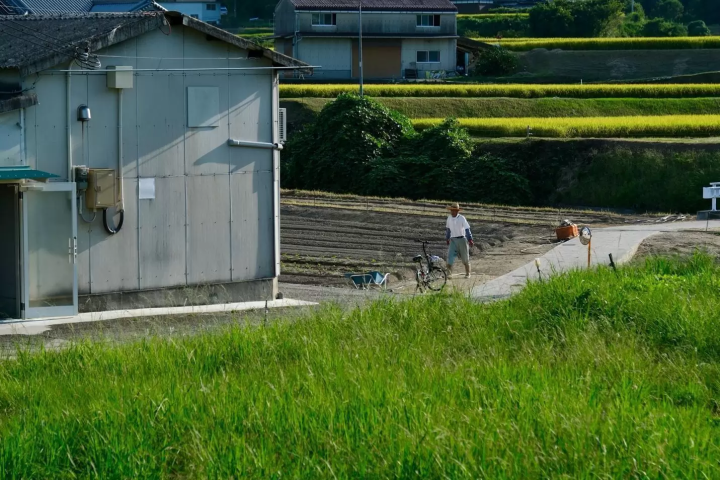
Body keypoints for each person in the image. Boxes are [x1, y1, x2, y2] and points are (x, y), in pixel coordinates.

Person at [445, 203, 474, 278]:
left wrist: (470, 239)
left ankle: (468, 273)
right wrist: (447, 238)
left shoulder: (461, 218)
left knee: (465, 258)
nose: (453, 212)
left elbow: (467, 229)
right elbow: (448, 229)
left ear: (457, 211)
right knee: (450, 257)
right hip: (453, 240)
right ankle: (449, 274)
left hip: (462, 239)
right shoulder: (449, 218)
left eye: (454, 210)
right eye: (452, 210)